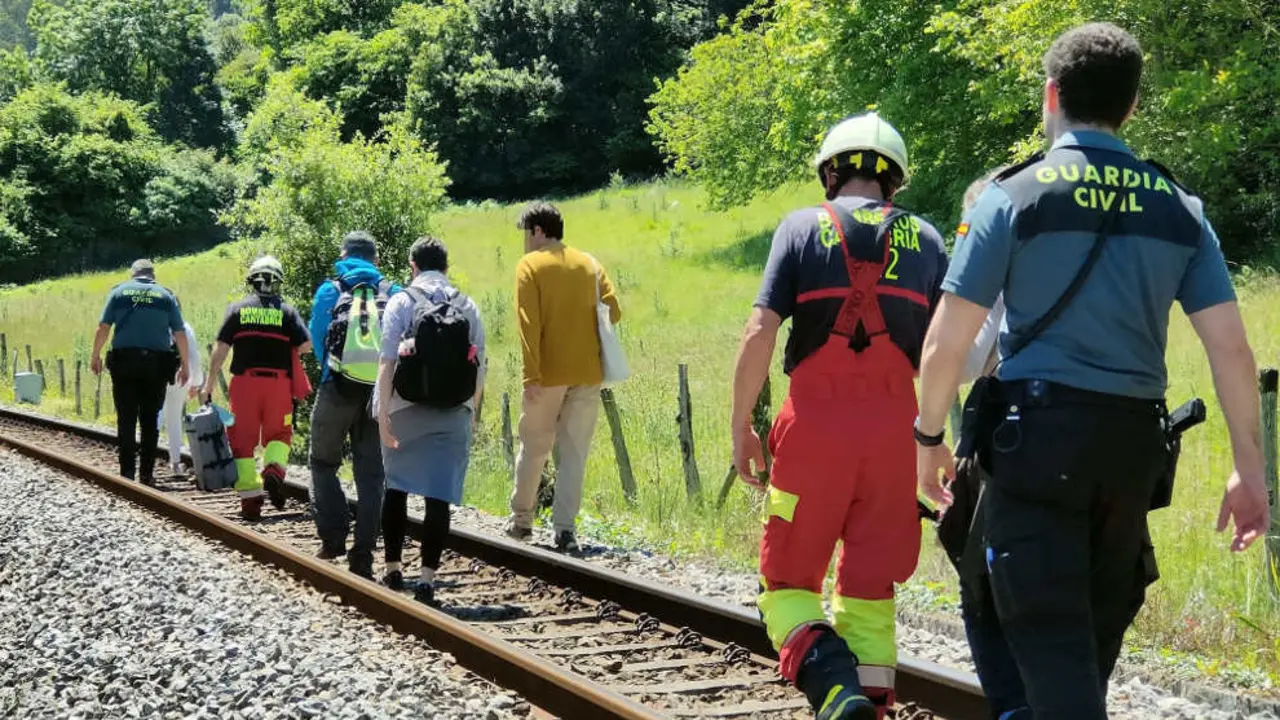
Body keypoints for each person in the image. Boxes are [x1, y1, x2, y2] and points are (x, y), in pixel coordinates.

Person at [914, 23, 1272, 720]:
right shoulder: (1180, 208)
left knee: (1048, 664)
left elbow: (946, 343)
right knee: (1076, 666)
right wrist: (1249, 472)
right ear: (1132, 106)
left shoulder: (1012, 197)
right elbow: (1232, 349)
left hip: (1036, 448)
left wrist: (928, 442)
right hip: (1133, 456)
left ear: (1051, 96)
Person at [731, 112, 948, 720]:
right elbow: (947, 348)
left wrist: (741, 424)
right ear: (894, 183)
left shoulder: (801, 228)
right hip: (896, 441)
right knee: (871, 595)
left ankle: (834, 688)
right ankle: (871, 707)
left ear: (830, 173)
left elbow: (759, 332)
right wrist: (936, 439)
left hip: (815, 432)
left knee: (787, 588)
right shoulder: (928, 240)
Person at [505, 202, 621, 553]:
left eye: (526, 233)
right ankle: (565, 529)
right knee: (574, 452)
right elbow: (614, 310)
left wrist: (531, 377)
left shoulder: (530, 265)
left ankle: (522, 521)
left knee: (535, 445)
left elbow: (529, 324)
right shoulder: (589, 263)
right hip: (588, 373)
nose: (524, 241)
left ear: (538, 231)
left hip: (547, 375)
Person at [375, 236, 485, 605]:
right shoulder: (468, 305)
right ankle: (427, 580)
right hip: (453, 411)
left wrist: (382, 414)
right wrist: (472, 414)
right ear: (447, 267)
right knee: (438, 496)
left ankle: (392, 568)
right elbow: (479, 366)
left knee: (396, 486)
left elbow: (387, 361)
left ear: (413, 265)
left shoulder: (401, 301)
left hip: (405, 407)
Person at [307, 231, 402, 578]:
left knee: (322, 462)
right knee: (372, 474)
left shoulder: (330, 290)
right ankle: (363, 553)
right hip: (378, 392)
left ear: (344, 254)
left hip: (337, 386)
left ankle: (333, 538)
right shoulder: (392, 292)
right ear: (375, 259)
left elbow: (319, 339)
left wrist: (335, 372)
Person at [203, 256, 312, 520]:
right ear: (278, 282)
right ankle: (274, 471)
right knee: (280, 434)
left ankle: (250, 501)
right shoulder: (287, 312)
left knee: (241, 442)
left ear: (252, 280)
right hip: (278, 386)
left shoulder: (237, 310)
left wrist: (208, 384)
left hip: (245, 385)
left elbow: (220, 349)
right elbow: (306, 346)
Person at [91, 259, 191, 486]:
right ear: (152, 275)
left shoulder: (119, 292)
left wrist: (95, 355)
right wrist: (185, 364)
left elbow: (104, 326)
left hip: (124, 363)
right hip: (156, 366)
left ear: (133, 274)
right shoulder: (165, 296)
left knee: (126, 419)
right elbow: (179, 332)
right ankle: (146, 474)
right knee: (149, 420)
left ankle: (126, 473)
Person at [160, 296, 204, 475]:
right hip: (179, 378)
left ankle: (144, 459)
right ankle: (176, 463)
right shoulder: (185, 328)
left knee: (153, 417)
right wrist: (197, 382)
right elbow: (193, 356)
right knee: (174, 419)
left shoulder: (156, 328)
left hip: (157, 378)